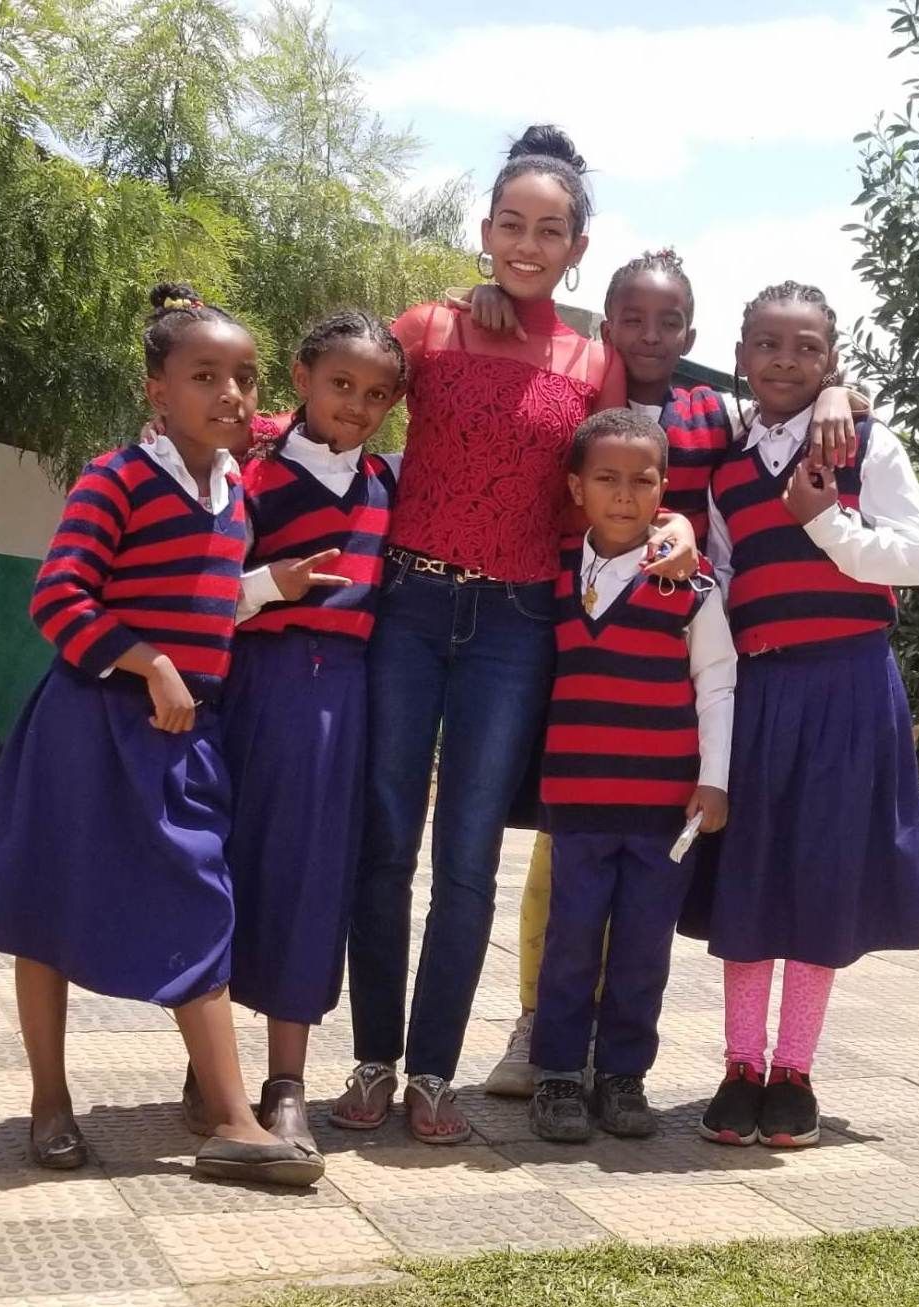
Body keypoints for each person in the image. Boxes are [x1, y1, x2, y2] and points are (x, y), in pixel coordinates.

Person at [333, 126, 704, 1146]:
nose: (527, 244)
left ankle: (435, 1075)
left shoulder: (590, 359)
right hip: (406, 607)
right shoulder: (426, 327)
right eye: (511, 225)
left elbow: (630, 468)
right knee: (382, 842)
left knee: (464, 861)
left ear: (575, 247)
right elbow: (339, 403)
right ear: (484, 230)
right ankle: (372, 1056)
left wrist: (674, 522)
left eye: (549, 230)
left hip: (512, 623)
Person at [476, 251, 865, 1098]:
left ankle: (619, 1069)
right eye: (634, 320)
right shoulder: (577, 393)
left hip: (673, 648)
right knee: (561, 868)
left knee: (641, 901)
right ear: (605, 322)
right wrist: (487, 299)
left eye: (670, 322)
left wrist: (838, 392)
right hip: (576, 630)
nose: (651, 336)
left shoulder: (713, 414)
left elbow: (794, 398)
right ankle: (539, 1030)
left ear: (693, 334)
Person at [0, 283, 318, 1185]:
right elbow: (57, 598)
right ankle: (50, 1105)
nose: (231, 395)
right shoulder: (115, 477)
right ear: (156, 392)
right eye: (204, 376)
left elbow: (206, 604)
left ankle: (232, 1118)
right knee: (45, 913)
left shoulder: (233, 494)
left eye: (244, 378)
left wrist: (264, 588)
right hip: (89, 726)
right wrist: (149, 663)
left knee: (200, 901)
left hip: (178, 735)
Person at [700, 280, 919, 1148]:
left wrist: (827, 523)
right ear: (741, 357)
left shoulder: (865, 442)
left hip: (847, 685)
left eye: (805, 348)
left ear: (833, 362)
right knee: (752, 874)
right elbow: (722, 583)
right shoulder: (725, 469)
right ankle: (738, 1065)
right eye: (767, 343)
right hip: (762, 689)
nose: (785, 361)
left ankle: (794, 1067)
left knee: (823, 874)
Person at [179, 312, 405, 1180]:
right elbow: (200, 592)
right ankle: (211, 1073)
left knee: (311, 882)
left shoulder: (389, 486)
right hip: (241, 686)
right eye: (340, 384)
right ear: (303, 376)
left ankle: (285, 1087)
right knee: (219, 871)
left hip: (336, 698)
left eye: (376, 395)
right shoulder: (250, 478)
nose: (354, 406)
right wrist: (268, 587)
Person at [527, 408, 736, 1141]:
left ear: (663, 489)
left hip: (663, 805)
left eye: (642, 482)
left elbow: (716, 680)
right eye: (606, 479)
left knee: (644, 948)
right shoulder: (551, 573)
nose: (624, 495)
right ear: (576, 487)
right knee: (571, 941)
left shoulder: (691, 583)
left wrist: (715, 780)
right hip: (578, 798)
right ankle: (556, 1075)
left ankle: (622, 1077)